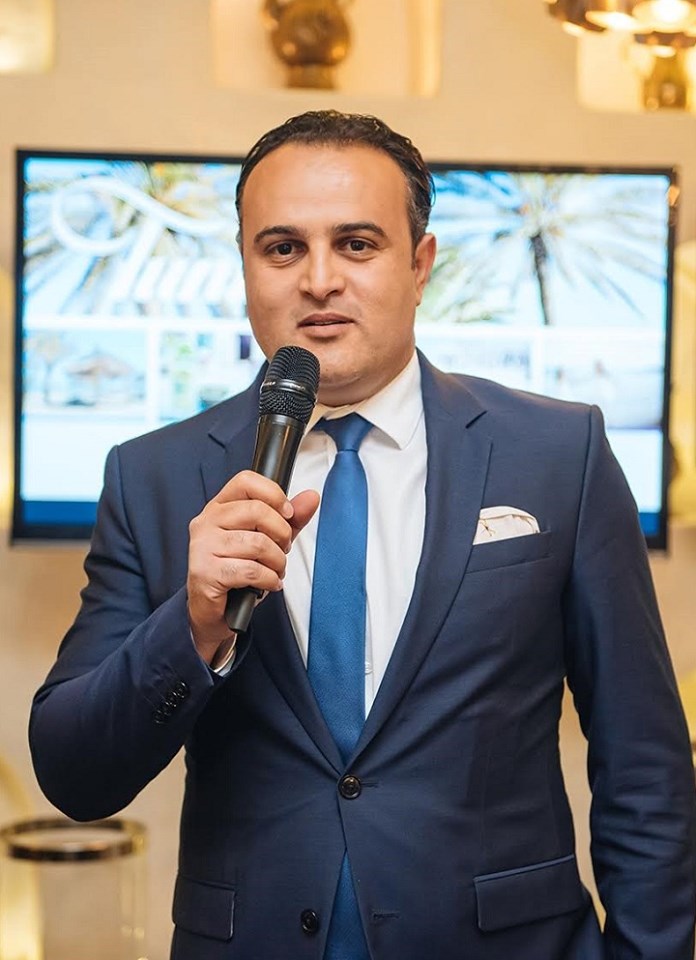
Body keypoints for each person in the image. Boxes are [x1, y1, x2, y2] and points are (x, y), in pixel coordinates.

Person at [30, 111, 696, 960]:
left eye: (356, 244)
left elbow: (645, 764)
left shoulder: (560, 452)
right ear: (246, 268)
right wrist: (191, 626)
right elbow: (75, 776)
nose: (319, 280)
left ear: (419, 264)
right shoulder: (152, 475)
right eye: (282, 248)